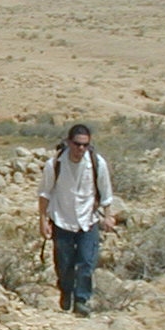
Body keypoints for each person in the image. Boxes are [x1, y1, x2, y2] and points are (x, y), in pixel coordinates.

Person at [36, 123, 115, 316]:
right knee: (64, 264)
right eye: (77, 144)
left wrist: (109, 215)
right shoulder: (54, 165)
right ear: (68, 142)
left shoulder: (97, 163)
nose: (81, 149)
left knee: (87, 263)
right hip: (62, 220)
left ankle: (81, 300)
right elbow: (45, 194)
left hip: (88, 220)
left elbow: (106, 192)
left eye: (85, 145)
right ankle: (66, 291)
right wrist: (42, 220)